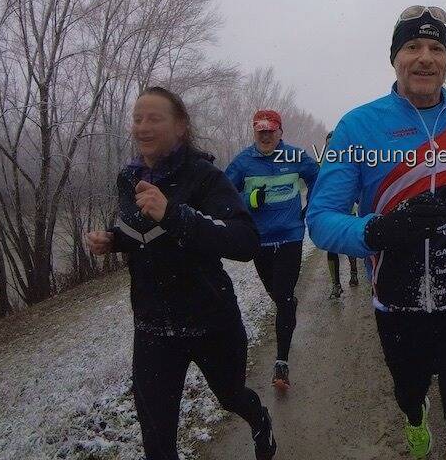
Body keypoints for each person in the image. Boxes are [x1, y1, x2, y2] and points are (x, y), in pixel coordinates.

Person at [306, 5, 446, 460]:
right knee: (410, 391)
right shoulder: (358, 126)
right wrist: (379, 229)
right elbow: (320, 219)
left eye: (436, 48)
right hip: (399, 301)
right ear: (394, 58)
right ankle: (415, 416)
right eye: (412, 47)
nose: (425, 58)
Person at [84, 87, 276, 460]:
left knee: (231, 396)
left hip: (211, 321)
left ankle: (259, 419)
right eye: (137, 119)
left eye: (154, 118)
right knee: (157, 444)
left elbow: (245, 241)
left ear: (180, 126)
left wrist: (174, 214)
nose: (142, 127)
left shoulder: (204, 177)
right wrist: (112, 239)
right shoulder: (128, 177)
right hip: (153, 327)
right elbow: (141, 233)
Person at [226, 109, 319, 390]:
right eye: (261, 132)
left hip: (290, 237)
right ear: (255, 132)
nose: (266, 136)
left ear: (280, 132)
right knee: (277, 296)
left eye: (270, 131)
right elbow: (224, 194)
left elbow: (318, 177)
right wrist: (249, 198)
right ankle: (287, 306)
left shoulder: (295, 157)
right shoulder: (243, 161)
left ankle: (281, 363)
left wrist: (311, 206)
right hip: (260, 240)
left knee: (283, 295)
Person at [321, 131, 360, 298]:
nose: (331, 146)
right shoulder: (321, 165)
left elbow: (358, 185)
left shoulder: (350, 161)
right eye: (328, 144)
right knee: (331, 248)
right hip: (329, 213)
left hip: (348, 211)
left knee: (349, 244)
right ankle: (336, 285)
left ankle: (354, 272)